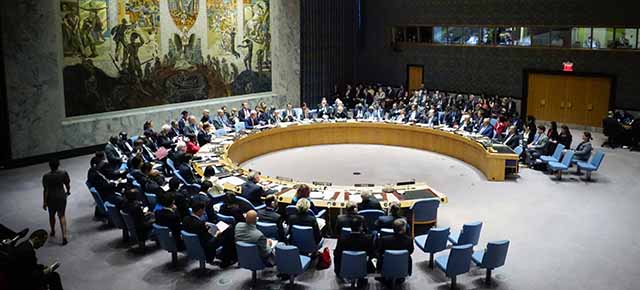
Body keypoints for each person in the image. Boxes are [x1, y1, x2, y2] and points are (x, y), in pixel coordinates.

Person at [376, 219, 414, 285]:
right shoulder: (409, 240)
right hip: (403, 264)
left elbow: (380, 252)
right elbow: (410, 251)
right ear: (404, 229)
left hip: (386, 264)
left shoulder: (384, 239)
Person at [42, 159, 71, 245]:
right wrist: (68, 191)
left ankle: (53, 230)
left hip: (51, 198)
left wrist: (44, 202)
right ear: (58, 164)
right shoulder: (63, 173)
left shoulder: (46, 176)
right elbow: (67, 184)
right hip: (61, 196)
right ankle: (64, 236)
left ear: (49, 166)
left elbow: (45, 190)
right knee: (62, 216)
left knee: (51, 215)